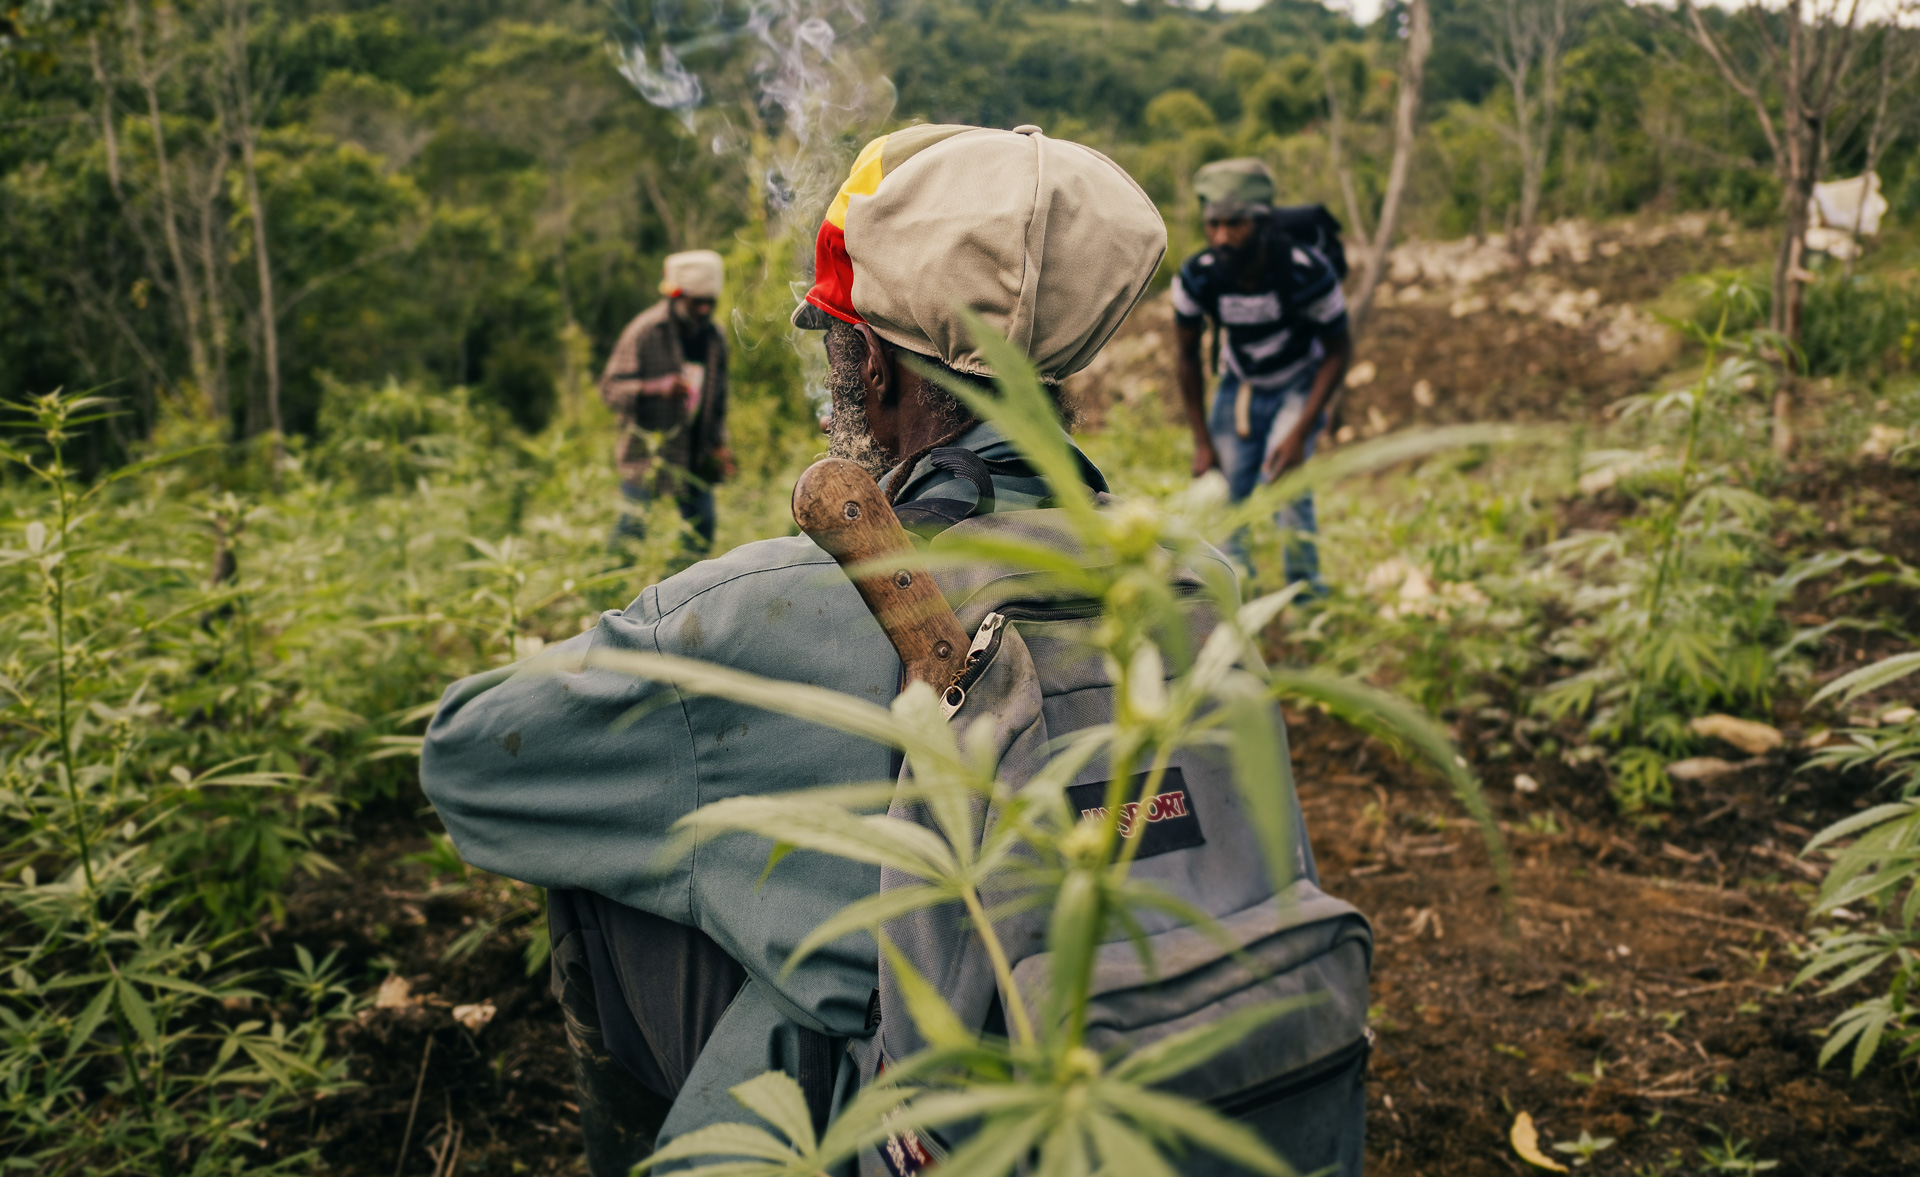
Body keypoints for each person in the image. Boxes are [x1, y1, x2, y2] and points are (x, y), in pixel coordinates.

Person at [420, 123, 1167, 1175]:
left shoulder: (763, 611)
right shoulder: (1198, 579)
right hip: (1173, 1090)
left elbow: (467, 758)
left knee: (617, 837)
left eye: (832, 335)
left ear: (866, 354)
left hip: (925, 1131)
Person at [1172, 158, 1351, 594]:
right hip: (1243, 385)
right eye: (1213, 224)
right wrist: (1202, 440)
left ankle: (1309, 598)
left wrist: (1300, 432)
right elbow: (1186, 355)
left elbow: (1338, 349)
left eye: (1236, 224)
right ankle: (1228, 595)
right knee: (1227, 494)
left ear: (1263, 221)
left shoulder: (1306, 271)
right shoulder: (1198, 276)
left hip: (1298, 380)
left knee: (1288, 488)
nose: (1222, 236)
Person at [601, 249, 736, 556]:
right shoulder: (645, 331)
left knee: (701, 530)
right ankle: (606, 595)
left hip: (694, 455)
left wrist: (720, 445)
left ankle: (677, 597)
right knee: (631, 531)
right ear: (677, 296)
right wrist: (655, 388)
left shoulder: (715, 337)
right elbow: (610, 389)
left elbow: (718, 401)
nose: (704, 309)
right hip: (646, 455)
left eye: (709, 302)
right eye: (696, 301)